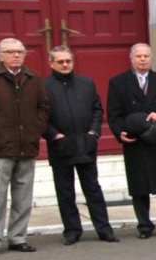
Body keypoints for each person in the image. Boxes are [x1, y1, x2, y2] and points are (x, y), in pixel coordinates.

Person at [0, 37, 49, 258]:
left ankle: (18, 237)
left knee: (23, 195)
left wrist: (35, 128)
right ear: (0, 55)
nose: (16, 55)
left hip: (27, 144)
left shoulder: (32, 77)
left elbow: (43, 106)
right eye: (11, 51)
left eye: (20, 52)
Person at [43, 45, 117, 245]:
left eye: (68, 61)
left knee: (93, 188)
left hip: (85, 144)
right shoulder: (44, 86)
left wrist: (94, 133)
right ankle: (72, 230)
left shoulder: (86, 83)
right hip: (61, 146)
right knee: (65, 191)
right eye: (60, 61)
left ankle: (104, 229)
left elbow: (97, 109)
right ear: (51, 63)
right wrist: (54, 135)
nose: (65, 64)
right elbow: (39, 116)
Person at [107, 43, 156, 239]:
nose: (142, 59)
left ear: (151, 58)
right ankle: (144, 225)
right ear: (131, 59)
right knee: (139, 185)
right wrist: (119, 132)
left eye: (146, 56)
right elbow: (113, 113)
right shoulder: (118, 83)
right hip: (135, 139)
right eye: (138, 56)